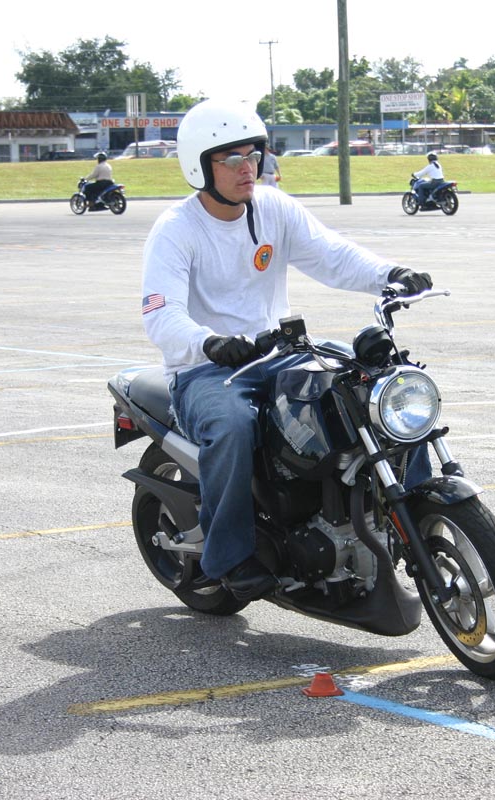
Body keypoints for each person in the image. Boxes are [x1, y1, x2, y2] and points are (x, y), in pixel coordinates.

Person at [140, 99, 433, 602]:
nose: (247, 168)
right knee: (232, 426)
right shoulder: (176, 230)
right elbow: (160, 313)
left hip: (280, 353)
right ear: (200, 165)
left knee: (379, 384)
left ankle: (415, 508)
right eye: (232, 158)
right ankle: (230, 557)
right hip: (207, 370)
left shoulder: (273, 208)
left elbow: (331, 254)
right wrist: (208, 342)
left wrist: (391, 274)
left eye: (253, 155)